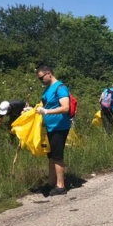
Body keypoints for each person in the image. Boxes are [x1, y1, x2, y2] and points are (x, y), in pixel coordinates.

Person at [35, 66, 71, 196]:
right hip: (50, 127)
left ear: (49, 74)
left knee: (57, 156)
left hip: (59, 127)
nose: (40, 80)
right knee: (51, 156)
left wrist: (46, 111)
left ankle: (60, 186)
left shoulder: (60, 88)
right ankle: (51, 183)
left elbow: (65, 108)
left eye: (41, 77)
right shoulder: (48, 89)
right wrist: (32, 110)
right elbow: (43, 104)